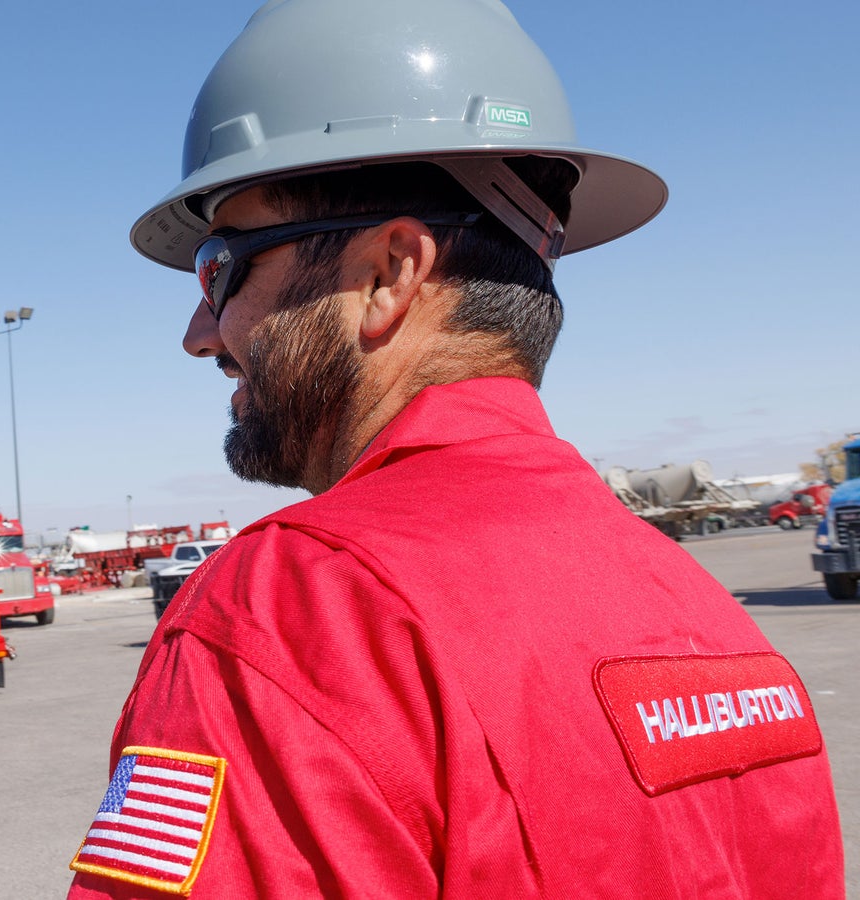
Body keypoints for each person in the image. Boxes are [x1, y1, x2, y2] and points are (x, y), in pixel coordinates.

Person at [67, 1, 844, 896]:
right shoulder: (708, 619)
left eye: (221, 267)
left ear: (391, 274)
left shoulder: (300, 614)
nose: (201, 333)